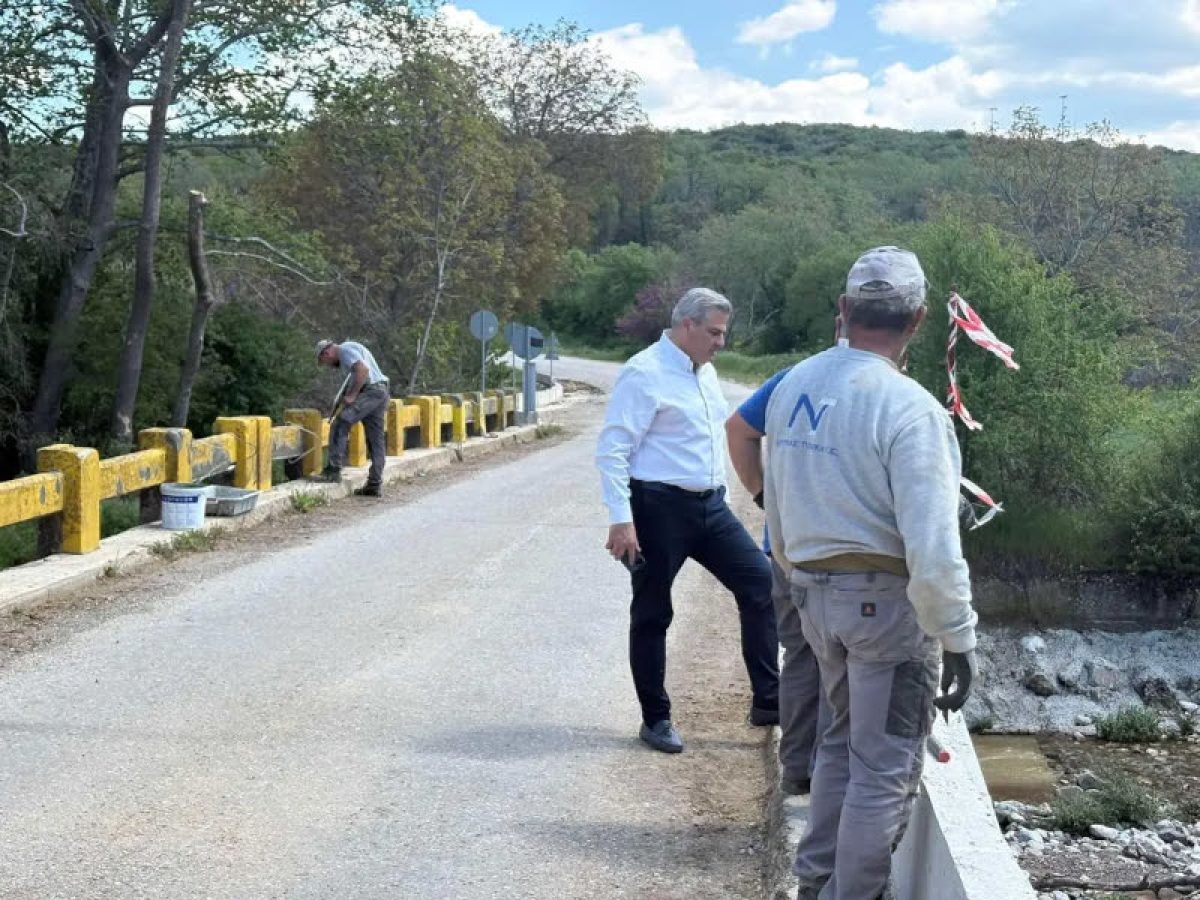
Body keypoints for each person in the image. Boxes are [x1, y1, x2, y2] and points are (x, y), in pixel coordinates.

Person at [762, 247, 978, 900]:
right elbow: (935, 552)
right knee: (883, 767)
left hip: (813, 597)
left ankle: (817, 884)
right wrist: (959, 638)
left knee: (838, 743)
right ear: (915, 322)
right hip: (884, 610)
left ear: (843, 311)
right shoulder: (910, 410)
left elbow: (777, 499)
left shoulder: (793, 385)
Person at [595, 287, 780, 755]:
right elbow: (613, 451)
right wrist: (622, 521)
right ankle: (655, 719)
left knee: (761, 583)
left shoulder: (707, 372)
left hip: (709, 507)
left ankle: (769, 700)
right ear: (687, 325)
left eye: (723, 333)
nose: (721, 342)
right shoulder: (645, 373)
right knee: (654, 610)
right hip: (658, 508)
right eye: (714, 332)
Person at [727, 370, 825, 795]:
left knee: (801, 657)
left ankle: (798, 768)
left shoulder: (792, 378)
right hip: (844, 555)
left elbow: (737, 428)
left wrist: (763, 495)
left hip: (785, 547)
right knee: (846, 663)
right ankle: (828, 773)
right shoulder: (880, 386)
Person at [314, 339, 390, 498]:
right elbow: (356, 376)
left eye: (325, 361)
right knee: (376, 440)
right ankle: (374, 484)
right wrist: (345, 396)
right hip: (381, 392)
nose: (329, 365)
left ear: (326, 353)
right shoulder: (351, 350)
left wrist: (352, 395)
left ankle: (333, 470)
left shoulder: (344, 350)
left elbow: (362, 370)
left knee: (341, 423)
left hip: (371, 391)